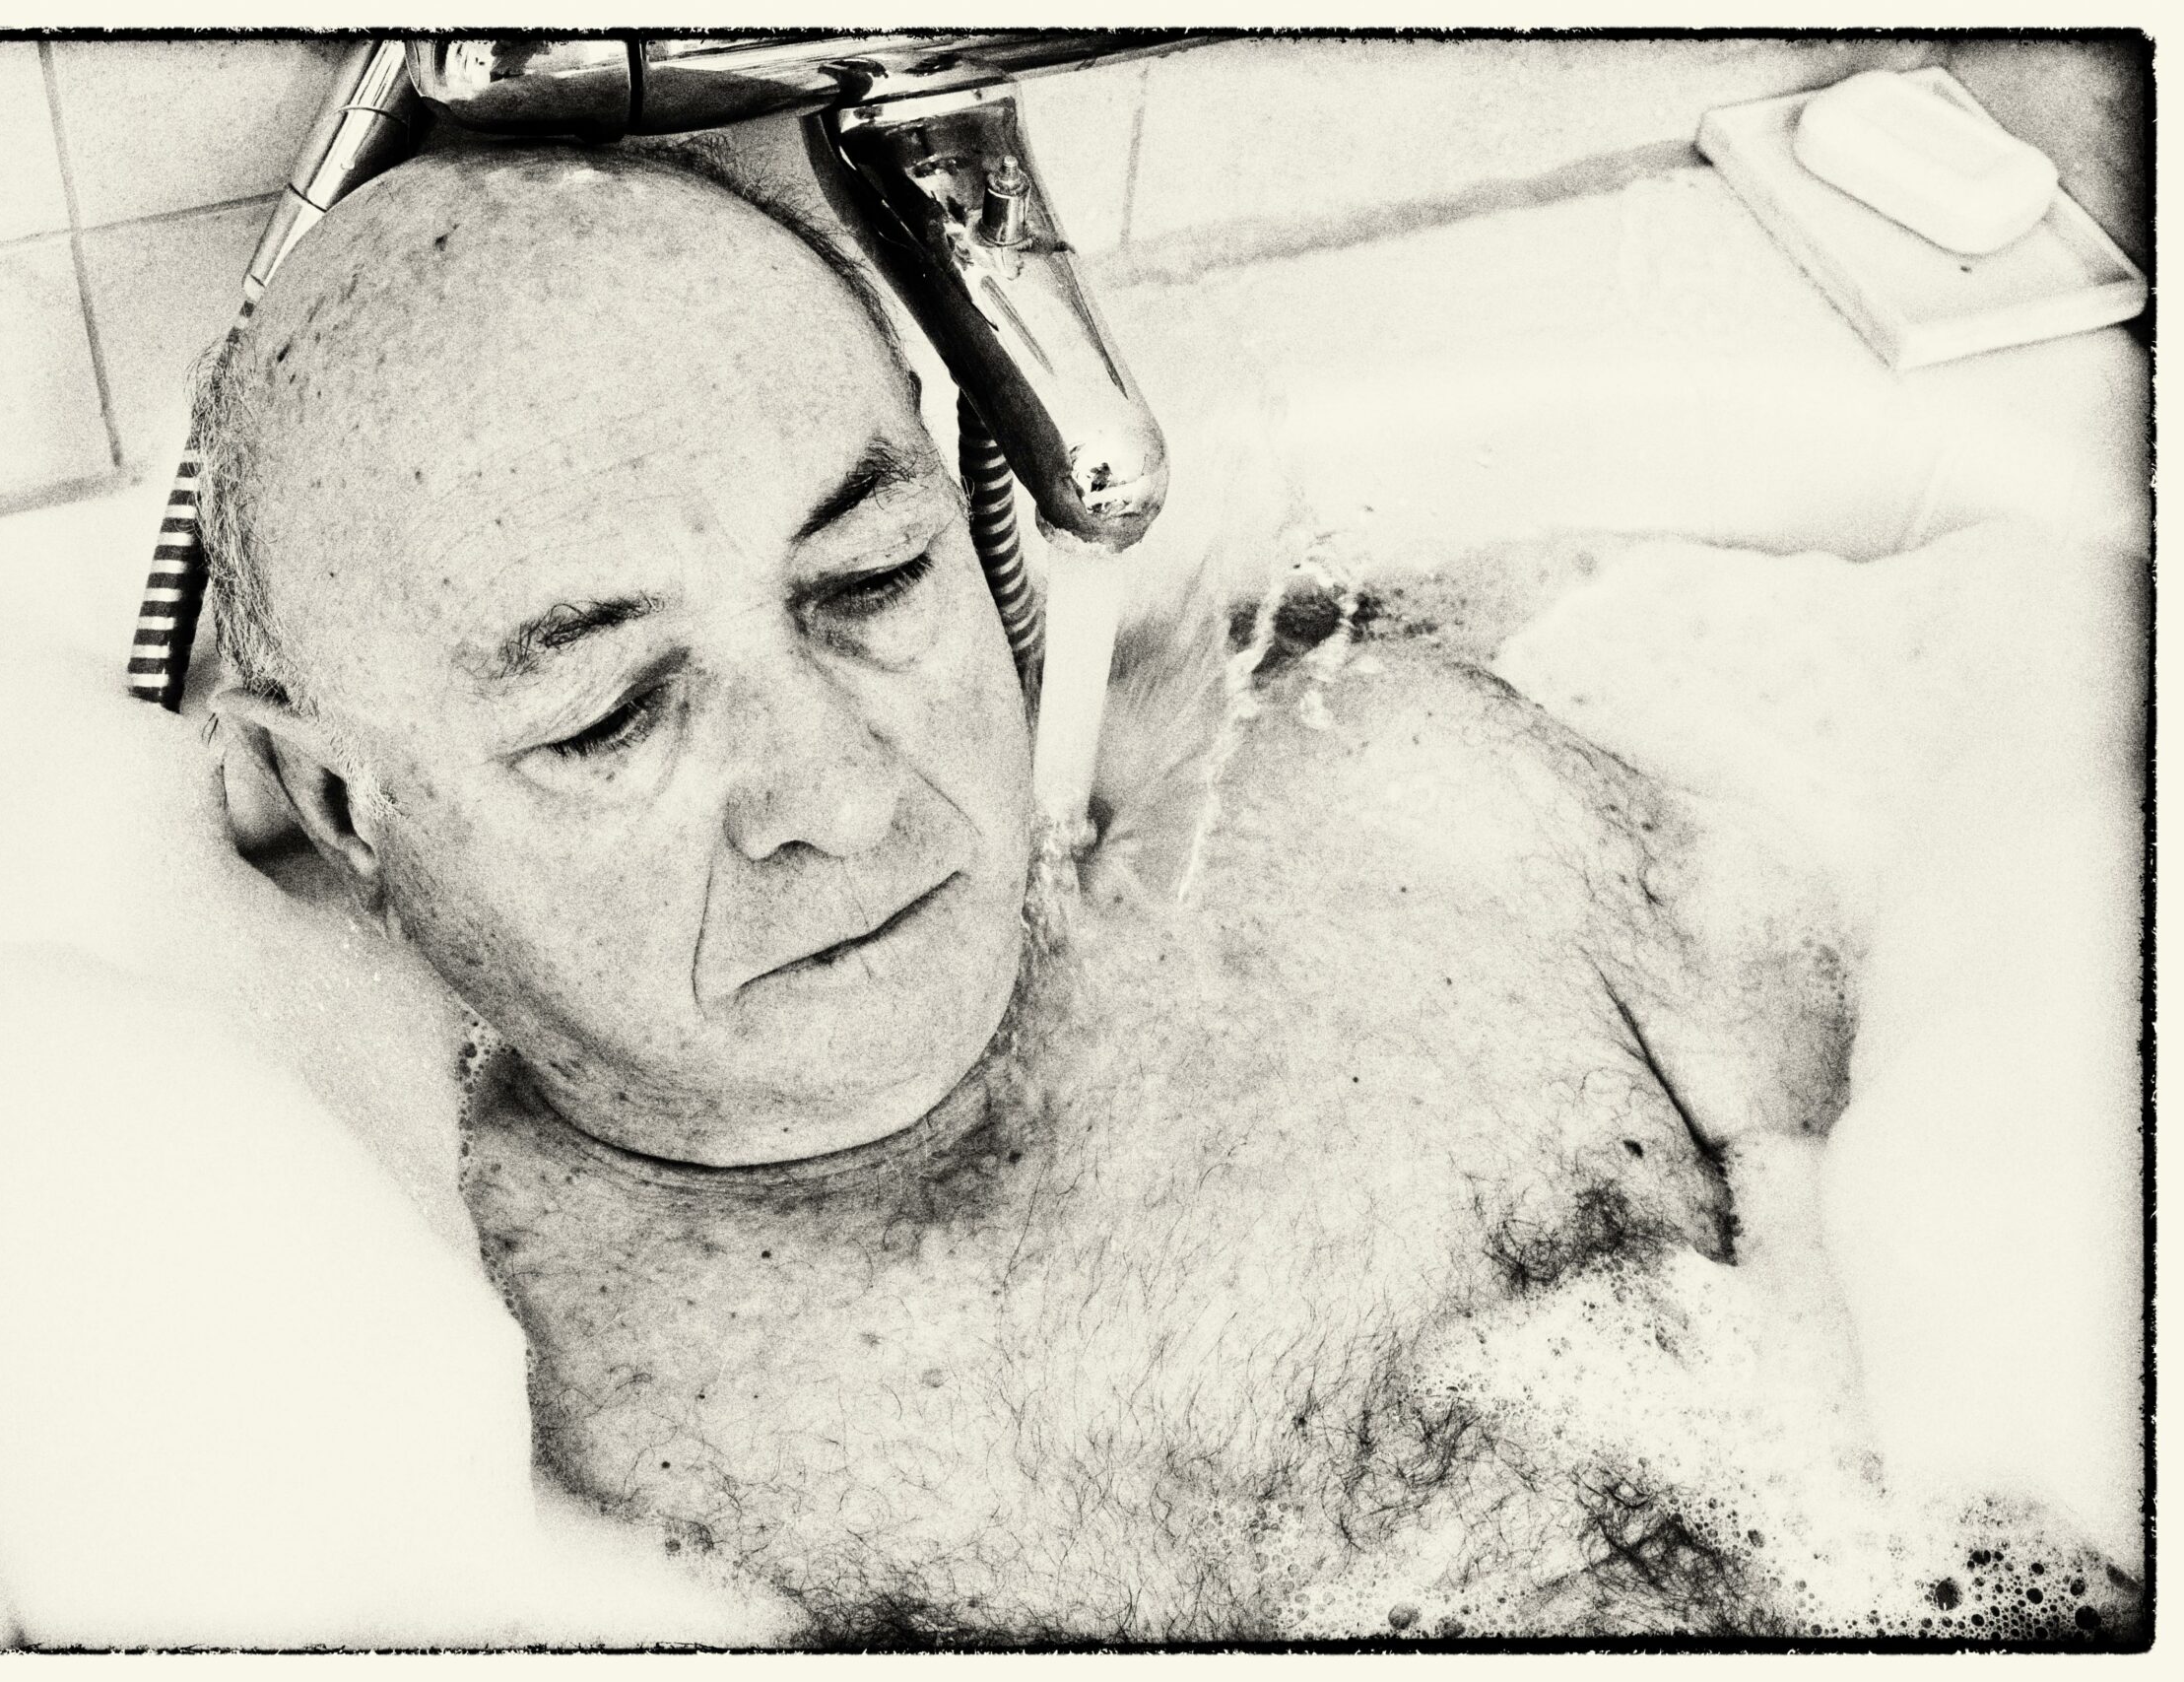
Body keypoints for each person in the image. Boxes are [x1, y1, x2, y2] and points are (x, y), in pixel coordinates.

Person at [196, 145, 2125, 1643]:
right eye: (613, 713)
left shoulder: (1430, 824)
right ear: (338, 803)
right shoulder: (411, 1433)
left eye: (869, 581)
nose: (846, 797)